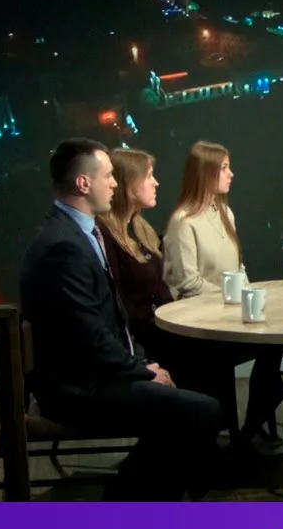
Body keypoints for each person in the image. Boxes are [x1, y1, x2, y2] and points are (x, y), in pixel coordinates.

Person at [19, 138, 220, 500]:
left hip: (96, 374)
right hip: (78, 389)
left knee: (189, 404)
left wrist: (141, 363)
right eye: (108, 176)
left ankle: (136, 500)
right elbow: (89, 336)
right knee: (202, 412)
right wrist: (142, 370)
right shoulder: (63, 246)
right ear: (84, 183)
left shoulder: (79, 233)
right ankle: (124, 504)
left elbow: (110, 322)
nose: (114, 183)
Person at [162, 141, 283, 437]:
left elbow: (238, 267)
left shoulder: (225, 213)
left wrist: (246, 297)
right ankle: (239, 434)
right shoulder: (183, 222)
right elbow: (188, 283)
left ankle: (252, 428)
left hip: (230, 316)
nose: (232, 174)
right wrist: (232, 298)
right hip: (200, 327)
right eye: (225, 168)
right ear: (206, 172)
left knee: (275, 345)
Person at [96, 148, 175, 363]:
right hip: (138, 344)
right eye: (148, 176)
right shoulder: (105, 235)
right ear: (129, 185)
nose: (156, 183)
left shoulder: (141, 228)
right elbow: (118, 306)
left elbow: (160, 288)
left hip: (161, 331)